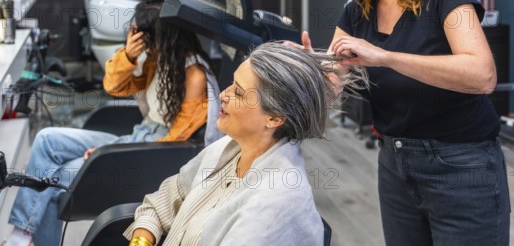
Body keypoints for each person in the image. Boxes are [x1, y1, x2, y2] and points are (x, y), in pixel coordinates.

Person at [299, 0, 509, 245]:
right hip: (395, 164)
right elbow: (331, 87)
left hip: (463, 166)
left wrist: (386, 57)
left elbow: (482, 74)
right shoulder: (357, 13)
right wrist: (311, 70)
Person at [5, 0, 222, 246]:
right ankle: (22, 235)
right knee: (46, 140)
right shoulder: (160, 59)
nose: (142, 41)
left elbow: (176, 140)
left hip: (150, 152)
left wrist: (107, 153)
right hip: (138, 137)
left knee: (53, 181)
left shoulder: (194, 75)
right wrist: (128, 55)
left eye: (144, 36)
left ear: (164, 36)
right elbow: (114, 86)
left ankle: (21, 239)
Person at [123, 42, 368, 246]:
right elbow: (164, 200)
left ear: (274, 118)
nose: (223, 94)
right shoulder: (228, 148)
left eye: (238, 93)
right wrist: (141, 240)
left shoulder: (274, 205)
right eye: (232, 83)